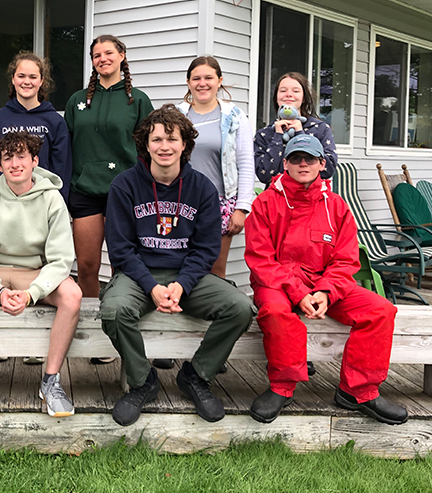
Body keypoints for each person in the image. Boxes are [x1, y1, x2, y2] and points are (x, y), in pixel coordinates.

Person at [100, 104, 255, 426]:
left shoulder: (202, 188)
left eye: (172, 139)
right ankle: (144, 382)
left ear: (185, 144)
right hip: (139, 274)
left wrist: (182, 284)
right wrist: (152, 287)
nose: (164, 146)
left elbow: (207, 248)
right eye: (156, 140)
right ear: (146, 144)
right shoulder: (124, 186)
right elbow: (120, 249)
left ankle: (196, 376)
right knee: (114, 310)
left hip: (189, 277)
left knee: (239, 307)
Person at [244, 134, 407, 425]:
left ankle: (358, 391)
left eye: (309, 158)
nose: (302, 163)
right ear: (285, 163)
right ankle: (282, 387)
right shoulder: (265, 203)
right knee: (276, 312)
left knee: (380, 310)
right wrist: (298, 293)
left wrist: (326, 293)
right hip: (278, 283)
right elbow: (261, 260)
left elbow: (346, 260)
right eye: (296, 158)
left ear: (322, 163)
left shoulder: (337, 207)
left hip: (324, 283)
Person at [0, 131, 82, 419]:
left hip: (34, 272)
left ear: (34, 161)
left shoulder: (52, 199)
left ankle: (51, 381)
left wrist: (33, 293)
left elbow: (61, 259)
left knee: (73, 294)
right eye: (7, 158)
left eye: (22, 156)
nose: (15, 163)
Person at [65, 34, 153, 364]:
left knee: (123, 267)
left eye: (108, 53)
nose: (102, 59)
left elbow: (149, 148)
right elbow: (68, 146)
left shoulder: (138, 101)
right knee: (87, 267)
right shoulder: (77, 101)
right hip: (85, 191)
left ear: (122, 57)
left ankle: (120, 336)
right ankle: (92, 333)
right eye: (96, 55)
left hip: (125, 194)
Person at [175, 56, 254, 279]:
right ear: (188, 82)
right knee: (178, 267)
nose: (203, 83)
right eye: (196, 78)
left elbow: (246, 163)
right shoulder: (177, 115)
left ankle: (210, 313)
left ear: (219, 81)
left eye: (209, 78)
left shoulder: (235, 117)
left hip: (219, 203)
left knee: (214, 271)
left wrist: (241, 209)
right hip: (180, 201)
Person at [0, 51, 72, 200]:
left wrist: (59, 202)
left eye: (33, 77)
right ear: (13, 79)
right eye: (21, 76)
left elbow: (62, 167)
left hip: (42, 200)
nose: (27, 81)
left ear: (41, 81)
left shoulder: (55, 121)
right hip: (1, 200)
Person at [254, 72, 338, 186]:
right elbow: (264, 175)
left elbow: (328, 169)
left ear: (304, 98)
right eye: (283, 91)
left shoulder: (321, 129)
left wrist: (300, 135)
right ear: (276, 97)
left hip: (312, 200)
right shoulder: (264, 134)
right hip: (276, 200)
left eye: (295, 91)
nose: (288, 94)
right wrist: (277, 138)